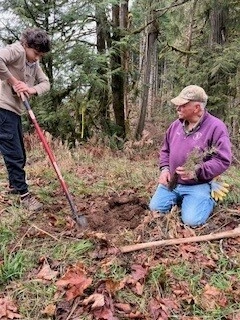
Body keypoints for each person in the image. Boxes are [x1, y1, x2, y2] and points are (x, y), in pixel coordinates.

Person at [149, 85, 232, 227]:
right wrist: (164, 169)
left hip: (198, 184)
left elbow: (222, 159)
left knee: (192, 221)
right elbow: (165, 150)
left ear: (197, 108)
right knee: (155, 208)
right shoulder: (175, 126)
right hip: (173, 183)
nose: (178, 108)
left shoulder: (216, 127)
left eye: (183, 105)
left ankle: (208, 198)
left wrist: (197, 170)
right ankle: (182, 199)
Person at [0, 28, 51, 211]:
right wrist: (13, 81)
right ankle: (24, 196)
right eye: (36, 53)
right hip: (2, 108)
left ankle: (14, 187)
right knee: (14, 154)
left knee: (20, 153)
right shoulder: (17, 50)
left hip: (14, 111)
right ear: (26, 45)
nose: (37, 58)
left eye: (40, 55)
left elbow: (46, 83)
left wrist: (31, 90)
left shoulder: (34, 64)